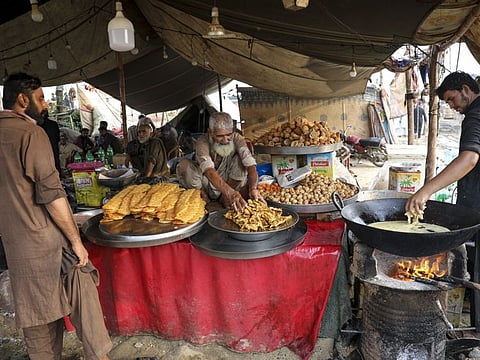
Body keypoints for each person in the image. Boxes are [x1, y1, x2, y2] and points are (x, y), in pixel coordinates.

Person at [0, 72, 112, 359]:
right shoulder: (30, 133)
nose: (46, 104)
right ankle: (101, 355)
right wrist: (75, 240)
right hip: (46, 241)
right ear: (23, 100)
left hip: (16, 246)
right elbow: (52, 194)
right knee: (80, 284)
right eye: (40, 98)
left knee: (39, 316)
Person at [405, 71, 480, 330]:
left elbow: (469, 159)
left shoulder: (475, 115)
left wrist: (425, 191)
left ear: (466, 89)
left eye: (451, 99)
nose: (451, 106)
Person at [176, 112, 265, 212]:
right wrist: (230, 193)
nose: (225, 140)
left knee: (241, 161)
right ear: (210, 132)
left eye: (228, 135)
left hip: (230, 184)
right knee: (184, 165)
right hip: (207, 184)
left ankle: (225, 198)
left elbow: (251, 166)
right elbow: (209, 171)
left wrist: (253, 188)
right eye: (220, 136)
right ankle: (202, 197)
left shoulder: (237, 138)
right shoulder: (202, 141)